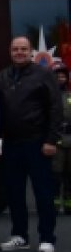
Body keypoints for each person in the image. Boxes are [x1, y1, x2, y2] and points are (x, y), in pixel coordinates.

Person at [0, 36, 61, 252]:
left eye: (24, 49)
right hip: (12, 144)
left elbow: (55, 108)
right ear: (10, 51)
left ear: (31, 51)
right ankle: (20, 235)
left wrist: (51, 140)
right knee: (14, 193)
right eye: (15, 49)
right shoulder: (2, 76)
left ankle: (47, 237)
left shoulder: (44, 75)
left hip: (38, 143)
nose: (19, 52)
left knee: (43, 193)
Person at [55, 64, 71, 215]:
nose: (60, 78)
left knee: (69, 174)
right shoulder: (50, 96)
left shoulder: (69, 94)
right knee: (56, 174)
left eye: (63, 76)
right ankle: (54, 203)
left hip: (70, 139)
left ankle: (68, 203)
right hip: (57, 140)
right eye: (57, 76)